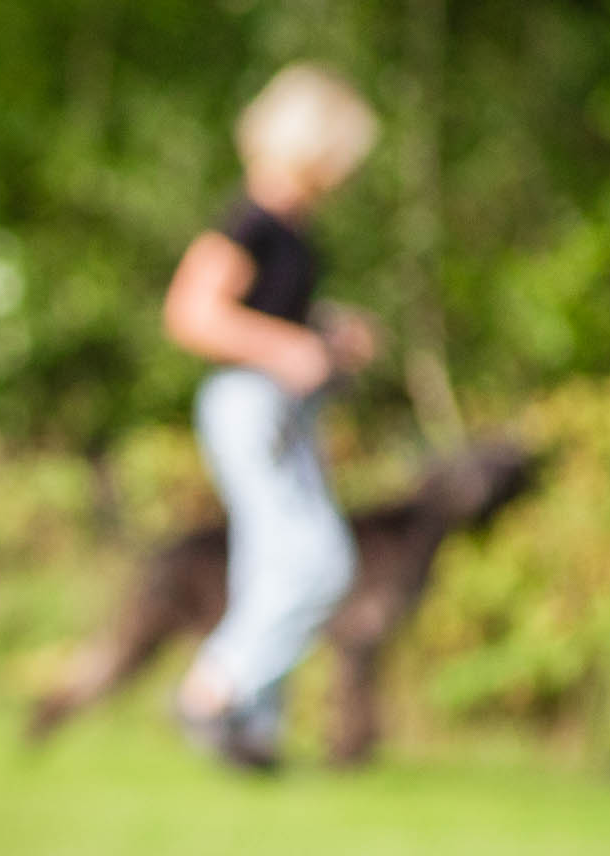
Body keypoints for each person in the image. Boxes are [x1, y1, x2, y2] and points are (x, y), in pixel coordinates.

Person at [160, 63, 379, 772]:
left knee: (269, 563)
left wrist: (325, 334)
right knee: (317, 561)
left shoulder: (294, 231)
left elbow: (270, 315)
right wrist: (289, 347)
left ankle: (254, 730)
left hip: (278, 410)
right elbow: (191, 312)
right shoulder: (249, 223)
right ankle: (211, 689)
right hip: (247, 406)